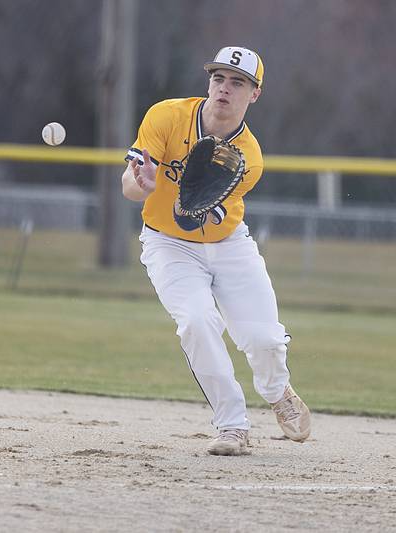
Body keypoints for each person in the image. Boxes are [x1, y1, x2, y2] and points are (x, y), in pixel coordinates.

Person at [121, 46, 311, 456]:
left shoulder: (249, 158)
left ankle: (278, 392)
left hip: (227, 244)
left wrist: (174, 194)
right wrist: (144, 184)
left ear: (254, 93)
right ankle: (232, 426)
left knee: (262, 338)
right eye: (219, 78)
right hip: (167, 244)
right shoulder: (166, 116)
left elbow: (195, 218)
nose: (225, 88)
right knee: (196, 320)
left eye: (237, 82)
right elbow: (130, 185)